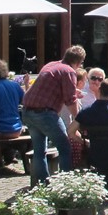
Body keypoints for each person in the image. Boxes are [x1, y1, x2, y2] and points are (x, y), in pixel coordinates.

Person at [20, 45, 85, 183]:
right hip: (44, 113)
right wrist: (79, 121)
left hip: (27, 111)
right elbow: (70, 101)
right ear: (79, 62)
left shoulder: (52, 65)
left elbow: (52, 88)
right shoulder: (68, 71)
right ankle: (65, 184)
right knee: (65, 147)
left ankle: (43, 185)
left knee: (39, 151)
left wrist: (73, 92)